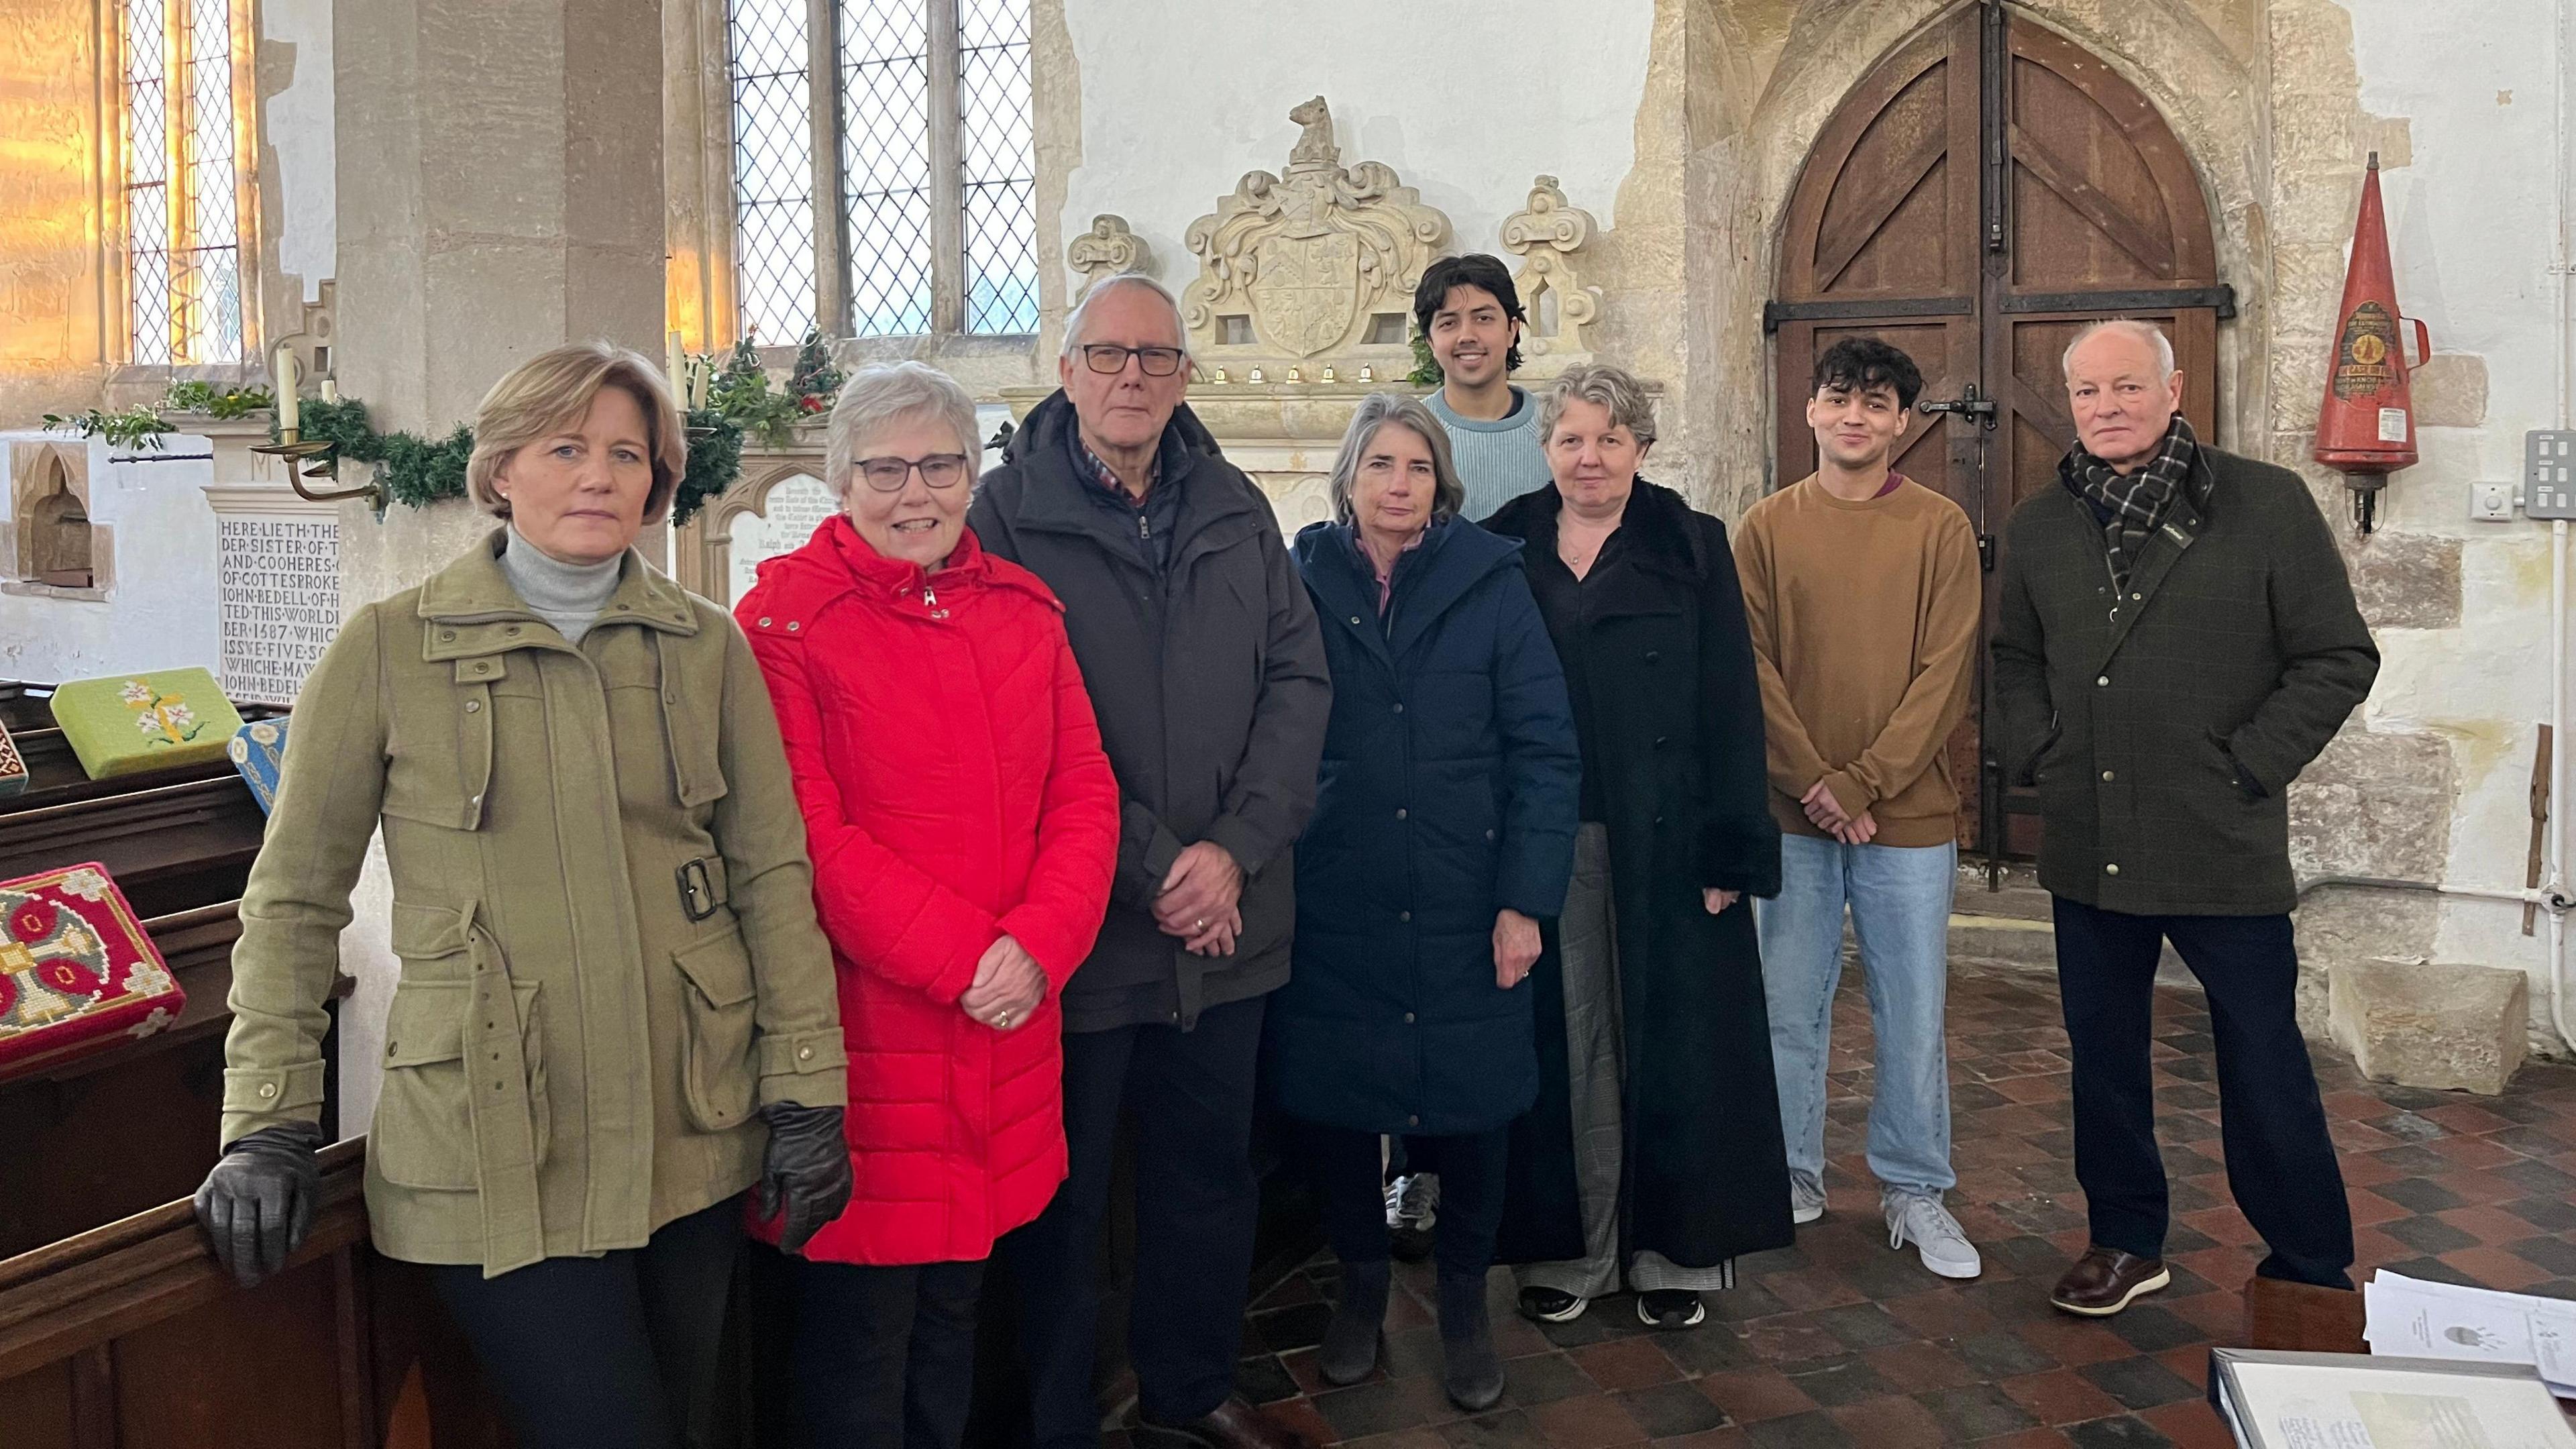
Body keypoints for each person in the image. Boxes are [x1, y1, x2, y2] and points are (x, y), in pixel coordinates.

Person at [195, 342, 853, 1449]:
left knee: (694, 1424)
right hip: (496, 1134)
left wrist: (805, 1089)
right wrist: (265, 1122)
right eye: (565, 448)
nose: (598, 476)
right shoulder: (389, 650)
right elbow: (295, 898)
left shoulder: (704, 648)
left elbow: (770, 877)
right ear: (502, 470)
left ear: (658, 481)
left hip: (688, 1118)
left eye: (626, 453)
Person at [968, 273, 1332, 1449]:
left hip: (1229, 933)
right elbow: (1013, 727)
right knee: (1063, 1211)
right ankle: (1059, 1418)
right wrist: (1165, 870)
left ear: (1186, 377)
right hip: (1084, 930)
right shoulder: (1001, 519)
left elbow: (1299, 683)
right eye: (1109, 355)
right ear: (1065, 371)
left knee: (1207, 1184)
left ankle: (1187, 1392)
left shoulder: (1233, 506)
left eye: (1157, 359)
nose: (1133, 377)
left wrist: (1230, 854)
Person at [733, 362, 1120, 1449]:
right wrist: (969, 960)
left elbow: (1085, 795)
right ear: (840, 479)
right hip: (875, 1042)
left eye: (940, 465)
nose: (917, 494)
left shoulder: (1024, 612)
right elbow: (803, 839)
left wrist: (1038, 947)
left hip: (1006, 1033)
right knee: (860, 1344)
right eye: (888, 470)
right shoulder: (783, 623)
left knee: (955, 1322)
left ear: (971, 473)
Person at [1992, 318, 2377, 1322]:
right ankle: (2124, 1240)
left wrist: (2248, 767)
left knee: (2263, 1057)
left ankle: (2306, 1258)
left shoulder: (2266, 505)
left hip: (2220, 840)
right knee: (2105, 1060)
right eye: (2086, 392)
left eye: (2127, 387)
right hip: (2091, 839)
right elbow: (2014, 661)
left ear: (2173, 392)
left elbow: (2337, 656)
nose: (2106, 408)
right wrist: (2042, 752)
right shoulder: (2040, 524)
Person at [1270, 394, 1580, 1410]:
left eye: (1415, 467)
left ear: (1439, 484)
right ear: (1349, 479)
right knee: (1342, 1105)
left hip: (1467, 890)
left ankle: (1460, 1306)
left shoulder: (1492, 581)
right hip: (1338, 887)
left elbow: (1543, 745)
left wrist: (1527, 900)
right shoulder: (1301, 578)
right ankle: (1362, 1285)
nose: (1397, 484)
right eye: (1379, 466)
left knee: (1479, 1103)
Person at [1484, 362, 1792, 1331]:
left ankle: (1673, 1254)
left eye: (1611, 440)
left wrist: (1731, 852)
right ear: (1547, 449)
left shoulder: (1691, 544)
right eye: (1572, 439)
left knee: (1674, 1043)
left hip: (1671, 836)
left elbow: (1731, 705)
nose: (1590, 458)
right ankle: (1569, 1251)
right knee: (1564, 1038)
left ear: (1642, 450)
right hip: (1547, 834)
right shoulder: (1502, 547)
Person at [1739, 337, 1984, 1280]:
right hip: (1794, 817)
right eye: (1839, 398)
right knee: (1787, 1009)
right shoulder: (1764, 527)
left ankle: (1914, 1187)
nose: (1856, 416)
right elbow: (1750, 667)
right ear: (1809, 409)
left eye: (1876, 404)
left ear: (1903, 422)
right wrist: (1815, 784)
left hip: (1906, 819)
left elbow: (1944, 672)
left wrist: (1865, 782)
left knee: (1912, 1009)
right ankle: (1791, 1171)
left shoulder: (1940, 528)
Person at [1416, 254, 1552, 523]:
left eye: (1484, 319)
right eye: (1448, 323)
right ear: (1430, 340)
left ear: (1512, 330)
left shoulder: (1556, 427)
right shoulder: (1410, 431)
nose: (1467, 336)